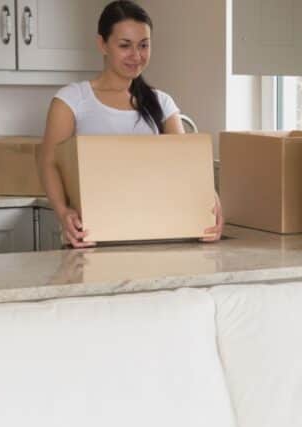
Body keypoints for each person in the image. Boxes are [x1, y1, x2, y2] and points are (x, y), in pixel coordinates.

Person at [39, 0, 223, 248]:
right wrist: (63, 213)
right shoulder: (72, 100)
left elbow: (186, 167)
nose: (136, 56)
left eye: (144, 45)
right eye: (125, 46)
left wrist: (212, 203)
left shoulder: (162, 103)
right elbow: (49, 163)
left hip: (155, 240)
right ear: (102, 44)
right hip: (90, 240)